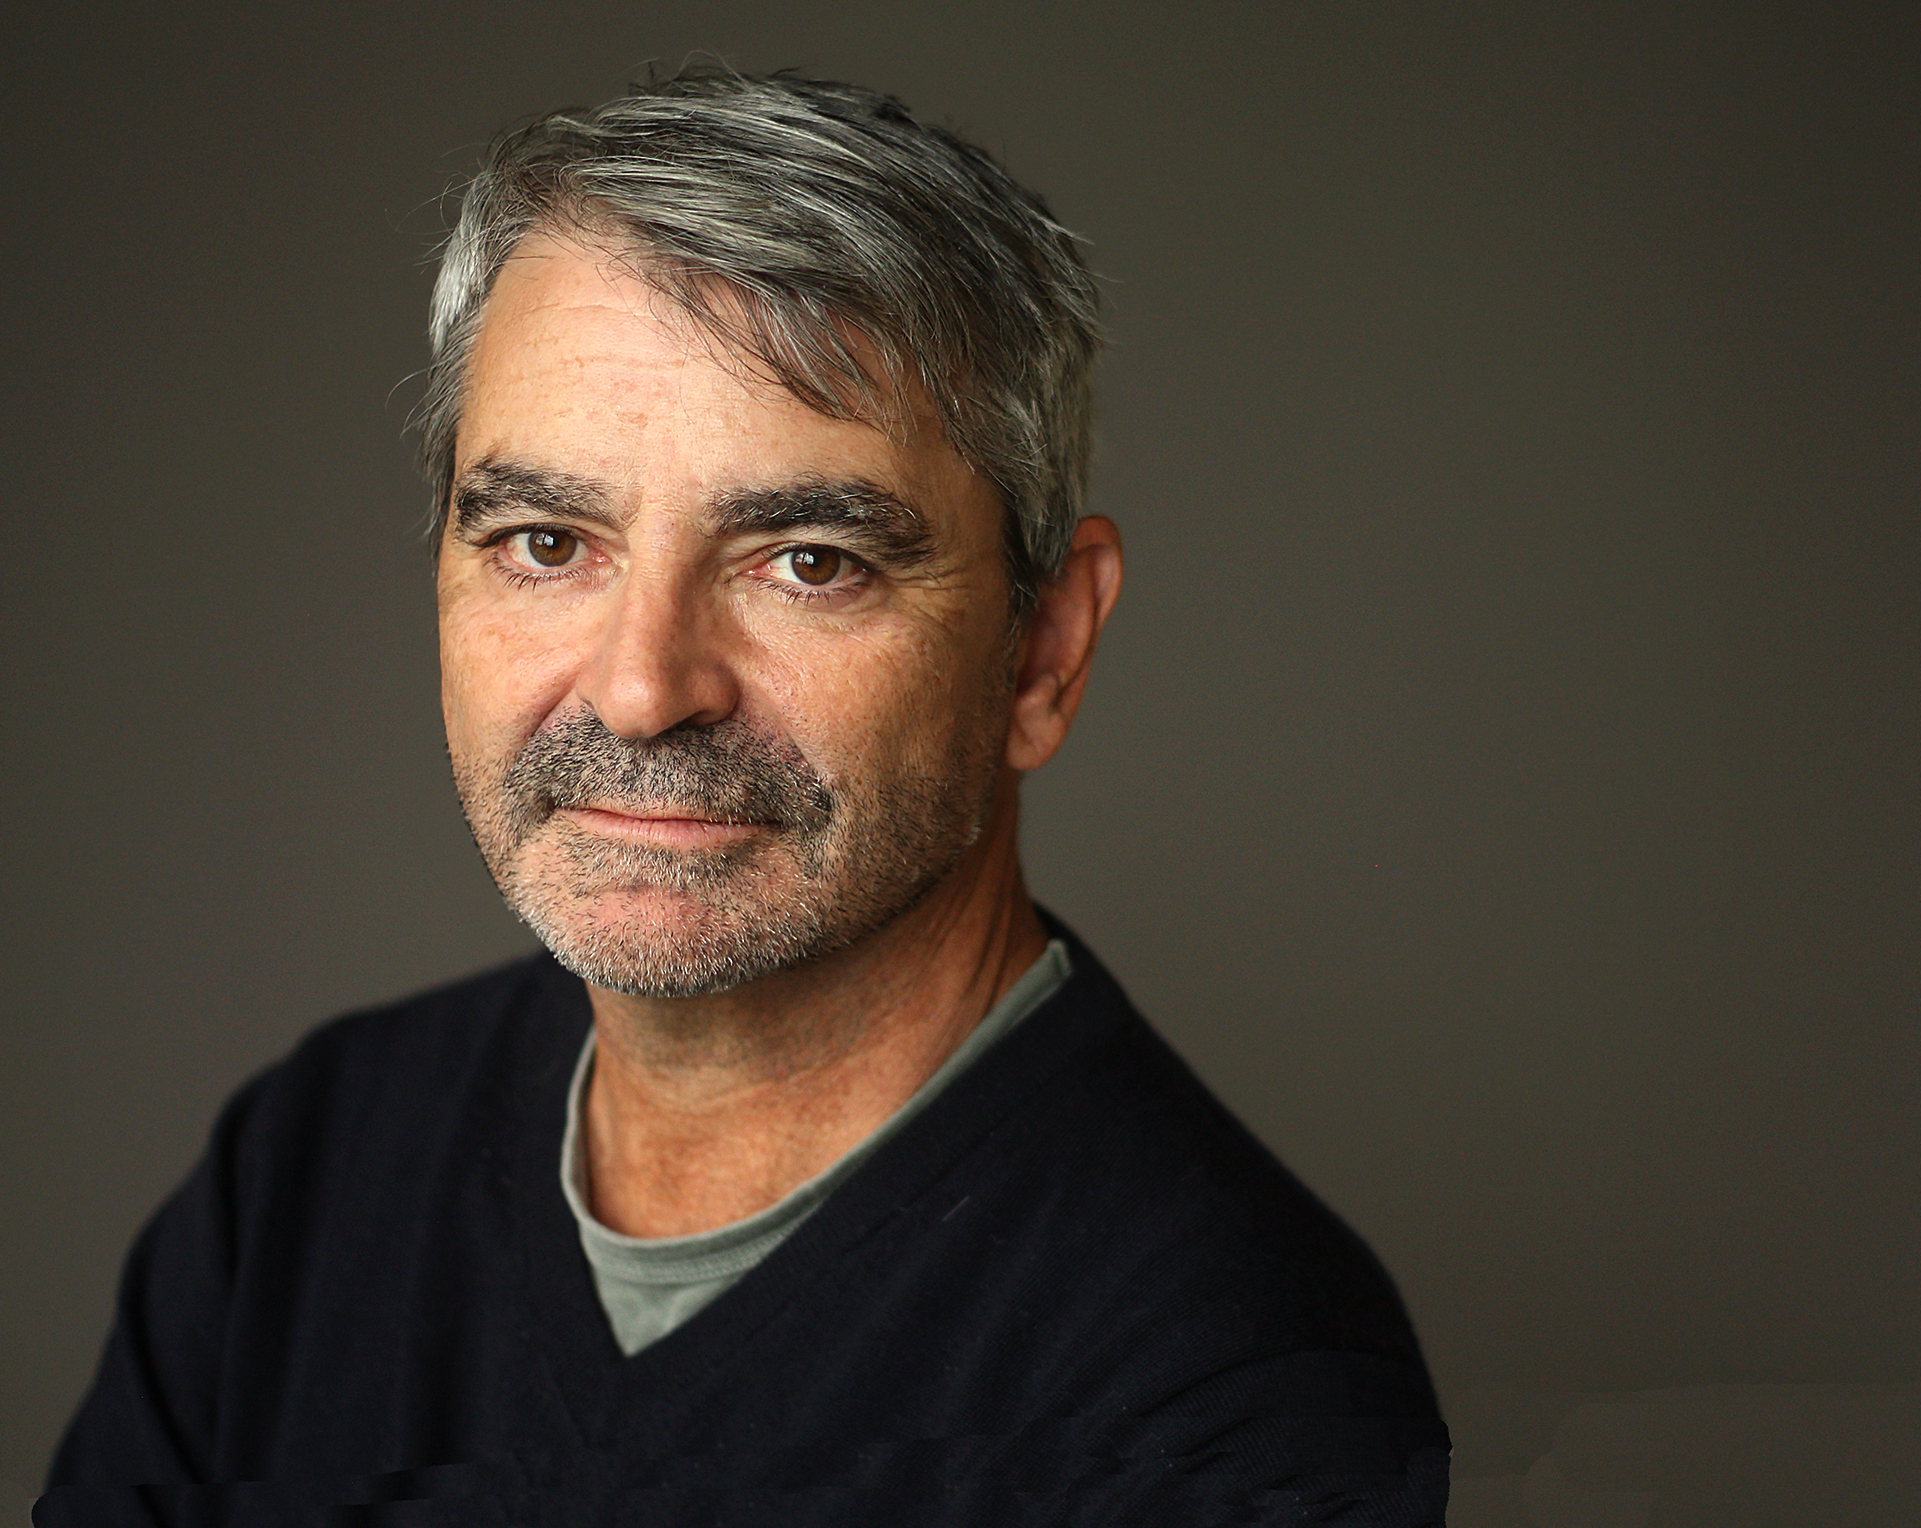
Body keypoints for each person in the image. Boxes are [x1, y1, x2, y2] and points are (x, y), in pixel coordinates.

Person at [42, 66, 1448, 1525]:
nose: (643, 688)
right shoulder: (310, 1175)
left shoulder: (1230, 1402)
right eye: (543, 541)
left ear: (1042, 650)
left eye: (810, 561)